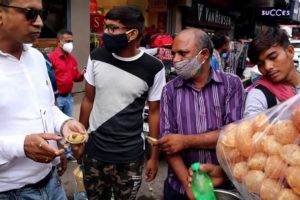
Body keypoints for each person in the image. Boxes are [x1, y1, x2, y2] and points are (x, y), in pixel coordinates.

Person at [0, 0, 86, 199]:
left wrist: (65, 124)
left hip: (52, 183)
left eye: (42, 14)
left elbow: (47, 108)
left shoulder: (37, 58)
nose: (39, 22)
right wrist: (21, 145)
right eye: (30, 13)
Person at [79, 6, 166, 200]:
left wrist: (153, 156)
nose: (106, 33)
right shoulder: (96, 56)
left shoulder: (154, 67)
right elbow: (88, 99)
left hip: (130, 157)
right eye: (105, 27)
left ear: (133, 33)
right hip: (94, 152)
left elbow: (154, 112)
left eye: (112, 28)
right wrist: (80, 137)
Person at [157, 28, 244, 200]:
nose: (175, 60)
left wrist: (185, 141)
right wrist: (188, 185)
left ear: (203, 55)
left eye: (182, 53)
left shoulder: (231, 85)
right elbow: (169, 144)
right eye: (174, 54)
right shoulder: (170, 90)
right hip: (179, 187)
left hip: (221, 184)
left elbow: (233, 138)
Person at [244, 27, 300, 117]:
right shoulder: (259, 95)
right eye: (260, 64)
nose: (267, 67)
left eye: (273, 57)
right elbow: (252, 126)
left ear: (290, 52)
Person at [48, 29, 85, 160]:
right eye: (68, 41)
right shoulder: (51, 59)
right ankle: (55, 152)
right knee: (53, 127)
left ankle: (68, 153)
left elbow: (76, 78)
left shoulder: (72, 60)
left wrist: (83, 75)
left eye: (72, 41)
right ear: (59, 42)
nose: (70, 44)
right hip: (56, 99)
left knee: (67, 126)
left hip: (68, 97)